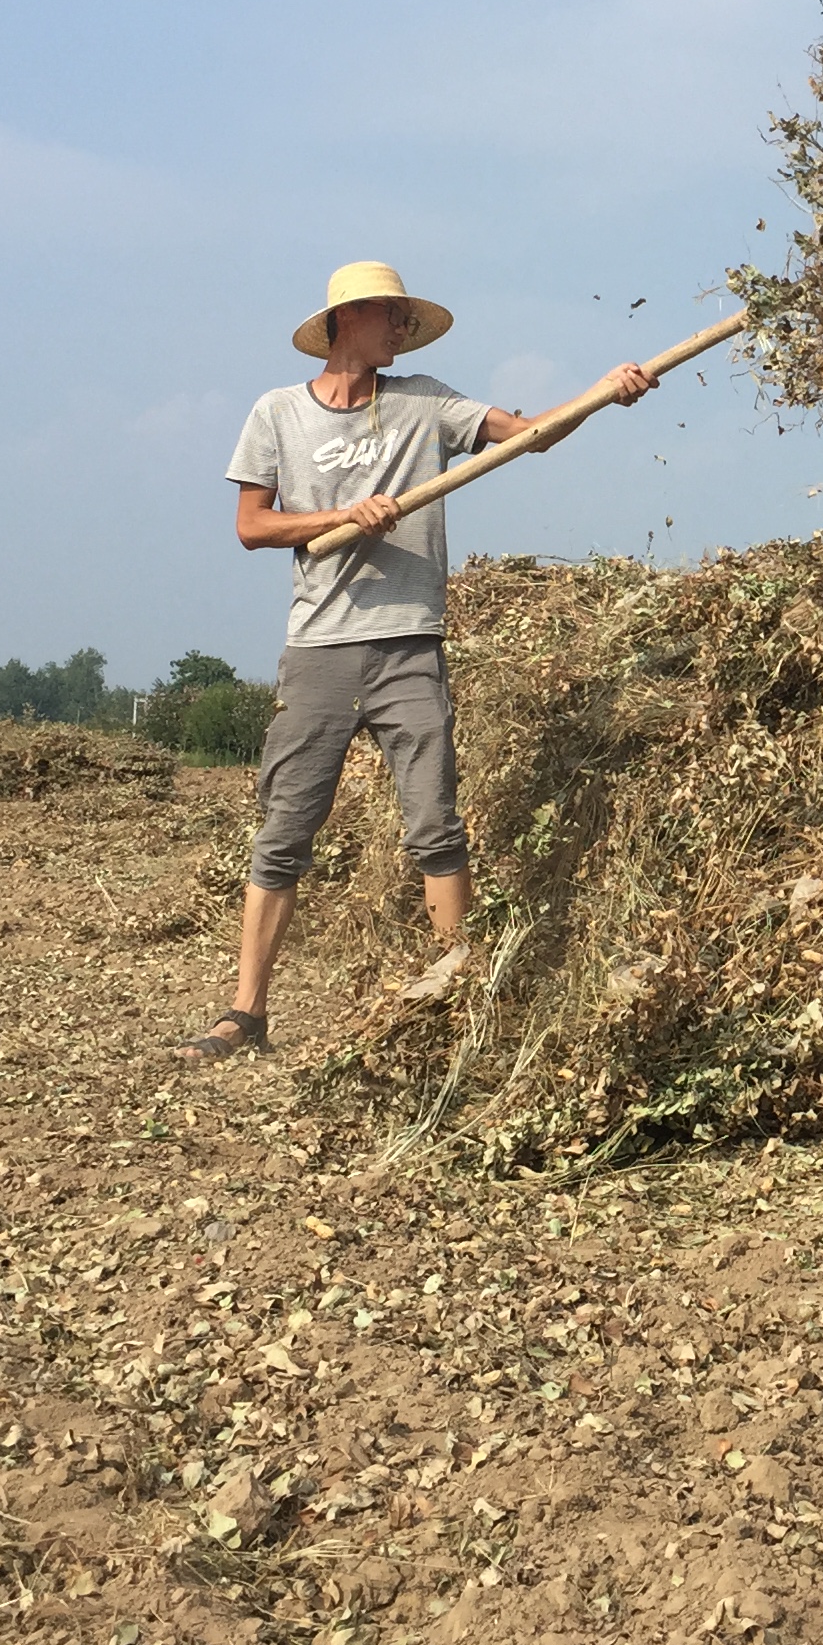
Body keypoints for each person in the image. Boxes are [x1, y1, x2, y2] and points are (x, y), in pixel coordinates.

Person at [174, 260, 653, 1064]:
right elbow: (252, 526)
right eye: (391, 317)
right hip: (320, 649)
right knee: (285, 833)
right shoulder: (277, 412)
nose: (402, 330)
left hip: (410, 645)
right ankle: (245, 1014)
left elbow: (527, 434)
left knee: (436, 826)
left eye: (406, 320)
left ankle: (455, 1009)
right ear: (347, 320)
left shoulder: (426, 402)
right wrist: (340, 516)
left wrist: (602, 393)